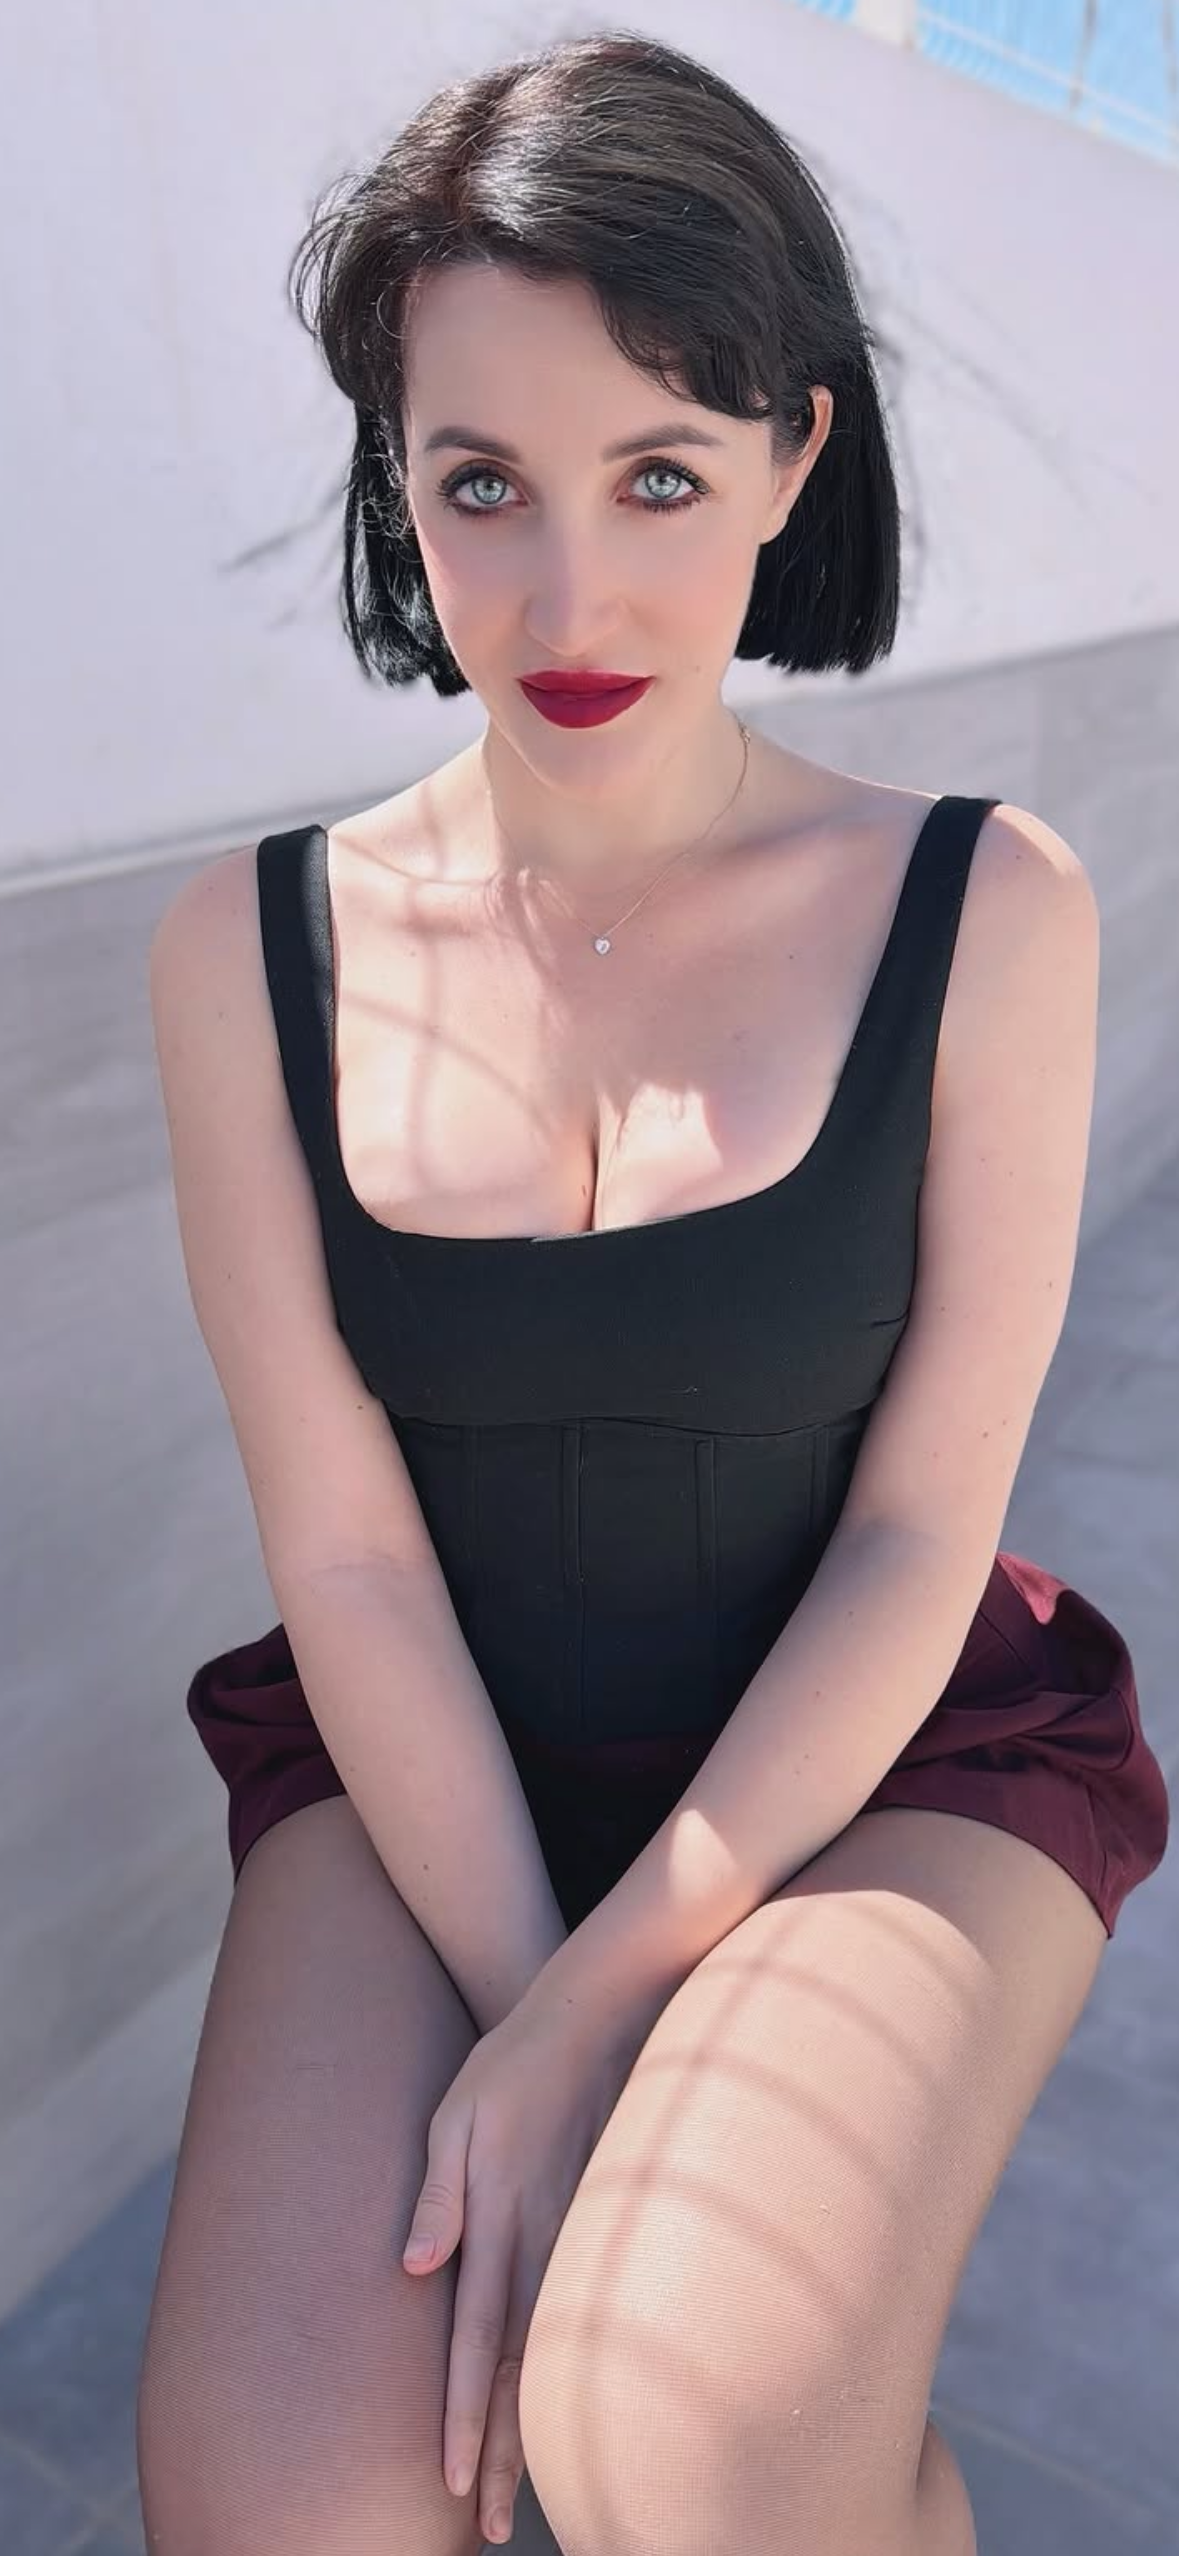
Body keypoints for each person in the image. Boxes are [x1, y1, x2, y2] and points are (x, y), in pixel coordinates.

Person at [137, 29, 1169, 2556]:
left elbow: (919, 1535)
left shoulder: (989, 909)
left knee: (697, 2452)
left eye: (662, 477)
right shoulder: (241, 952)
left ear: (793, 459)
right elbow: (347, 1554)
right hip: (429, 1752)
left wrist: (608, 2009)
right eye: (480, 482)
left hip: (883, 1750)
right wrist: (532, 2010)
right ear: (398, 474)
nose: (568, 598)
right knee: (283, 2500)